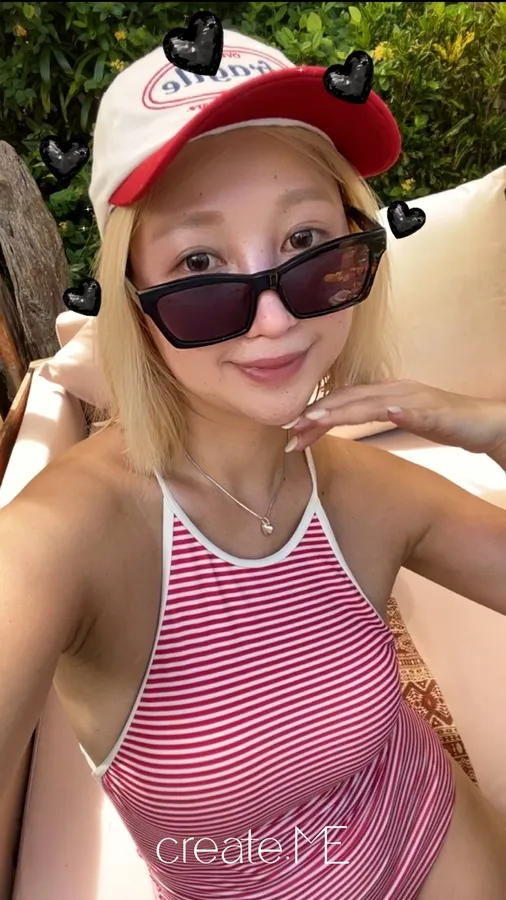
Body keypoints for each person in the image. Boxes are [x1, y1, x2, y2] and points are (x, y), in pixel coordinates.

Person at [1, 26, 506, 900]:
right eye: (200, 261)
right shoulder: (64, 539)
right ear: (134, 299)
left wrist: (493, 428)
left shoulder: (364, 490)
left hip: (432, 833)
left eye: (306, 240)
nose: (275, 319)